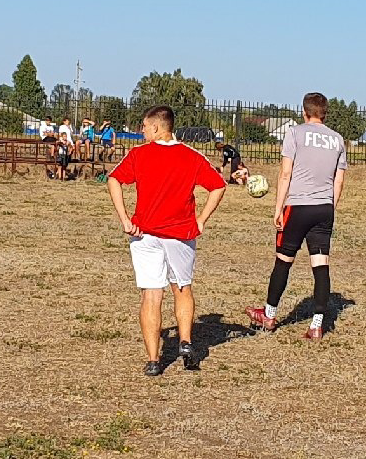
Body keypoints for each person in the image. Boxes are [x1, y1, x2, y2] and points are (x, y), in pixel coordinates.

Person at [107, 105, 229, 376]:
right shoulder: (191, 156)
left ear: (156, 127)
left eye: (144, 127)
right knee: (182, 288)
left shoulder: (139, 154)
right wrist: (201, 219)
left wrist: (125, 218)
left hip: (144, 234)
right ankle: (185, 342)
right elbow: (218, 186)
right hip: (181, 235)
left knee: (152, 295)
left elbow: (113, 179)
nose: (142, 132)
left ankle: (153, 360)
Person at [248, 92, 349, 339]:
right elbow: (339, 179)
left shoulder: (295, 133)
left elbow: (285, 173)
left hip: (298, 207)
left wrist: (278, 208)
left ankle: (269, 315)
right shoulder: (337, 139)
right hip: (324, 208)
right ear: (325, 113)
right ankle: (317, 325)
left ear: (304, 112)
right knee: (321, 264)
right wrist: (330, 207)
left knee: (283, 260)